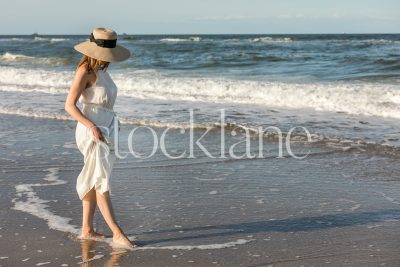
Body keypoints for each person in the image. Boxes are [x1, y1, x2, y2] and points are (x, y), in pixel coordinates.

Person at [64, 27, 135, 248]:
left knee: (94, 177)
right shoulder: (85, 70)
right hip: (92, 129)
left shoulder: (103, 69)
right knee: (100, 180)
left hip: (106, 128)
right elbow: (69, 106)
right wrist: (92, 126)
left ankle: (87, 229)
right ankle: (117, 233)